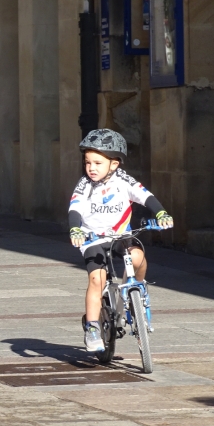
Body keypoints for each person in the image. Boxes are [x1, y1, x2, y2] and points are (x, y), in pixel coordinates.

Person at [68, 129, 173, 352]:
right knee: (97, 279)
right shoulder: (84, 185)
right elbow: (75, 209)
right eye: (87, 162)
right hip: (93, 239)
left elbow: (145, 196)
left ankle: (136, 288)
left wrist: (161, 213)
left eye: (97, 162)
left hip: (121, 235)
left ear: (114, 164)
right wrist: (76, 229)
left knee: (138, 257)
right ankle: (93, 327)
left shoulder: (123, 180)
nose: (91, 168)